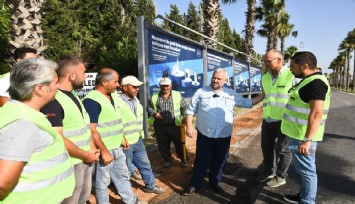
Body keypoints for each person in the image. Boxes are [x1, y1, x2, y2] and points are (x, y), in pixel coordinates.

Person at [0, 58, 75, 203]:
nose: (58, 87)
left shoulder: (20, 113)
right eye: (55, 82)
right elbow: (3, 184)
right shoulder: (22, 125)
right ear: (39, 89)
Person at [182, 68, 263, 195]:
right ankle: (195, 184)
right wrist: (189, 127)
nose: (215, 80)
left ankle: (214, 182)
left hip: (223, 135)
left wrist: (264, 95)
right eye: (214, 77)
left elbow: (248, 103)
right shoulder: (201, 92)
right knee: (201, 159)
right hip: (205, 134)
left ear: (225, 80)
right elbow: (190, 110)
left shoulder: (231, 94)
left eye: (218, 78)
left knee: (220, 160)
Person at [40, 55, 99, 204]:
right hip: (70, 163)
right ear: (72, 76)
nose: (85, 77)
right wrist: (85, 155)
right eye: (83, 73)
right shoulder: (53, 101)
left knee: (83, 198)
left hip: (85, 159)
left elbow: (84, 128)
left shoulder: (73, 95)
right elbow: (57, 137)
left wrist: (91, 149)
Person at [83, 68, 140, 204]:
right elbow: (91, 130)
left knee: (123, 176)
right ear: (104, 82)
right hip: (104, 150)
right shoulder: (91, 101)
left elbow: (115, 122)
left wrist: (122, 138)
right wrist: (104, 151)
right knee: (102, 184)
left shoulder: (112, 97)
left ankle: (131, 201)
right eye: (115, 81)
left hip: (117, 148)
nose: (118, 85)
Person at [282, 52, 330, 204]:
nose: (291, 69)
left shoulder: (315, 83)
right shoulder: (309, 80)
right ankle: (303, 196)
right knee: (305, 170)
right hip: (299, 134)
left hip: (302, 136)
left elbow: (317, 112)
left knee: (307, 172)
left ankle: (307, 201)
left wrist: (307, 140)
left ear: (305, 66)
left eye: (293, 66)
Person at [118, 75, 165, 194]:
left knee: (145, 165)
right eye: (134, 86)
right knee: (126, 170)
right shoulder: (116, 102)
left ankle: (150, 186)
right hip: (125, 143)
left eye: (138, 86)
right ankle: (128, 196)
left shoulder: (136, 101)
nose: (137, 89)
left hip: (138, 140)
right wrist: (122, 139)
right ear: (124, 87)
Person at [256, 49, 293, 188]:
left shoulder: (291, 75)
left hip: (285, 120)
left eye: (268, 60)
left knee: (283, 149)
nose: (265, 63)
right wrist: (247, 103)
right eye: (264, 60)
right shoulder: (265, 76)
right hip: (268, 118)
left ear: (279, 60)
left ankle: (281, 175)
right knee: (266, 146)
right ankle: (269, 171)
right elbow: (264, 95)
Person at [146, 77, 188, 168]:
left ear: (171, 86)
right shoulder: (155, 96)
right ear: (160, 86)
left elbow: (184, 107)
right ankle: (167, 160)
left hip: (175, 125)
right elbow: (148, 107)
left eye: (167, 86)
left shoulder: (177, 95)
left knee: (180, 143)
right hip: (160, 126)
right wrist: (155, 113)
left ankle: (183, 159)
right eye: (163, 86)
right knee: (163, 144)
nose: (165, 88)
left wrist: (185, 116)